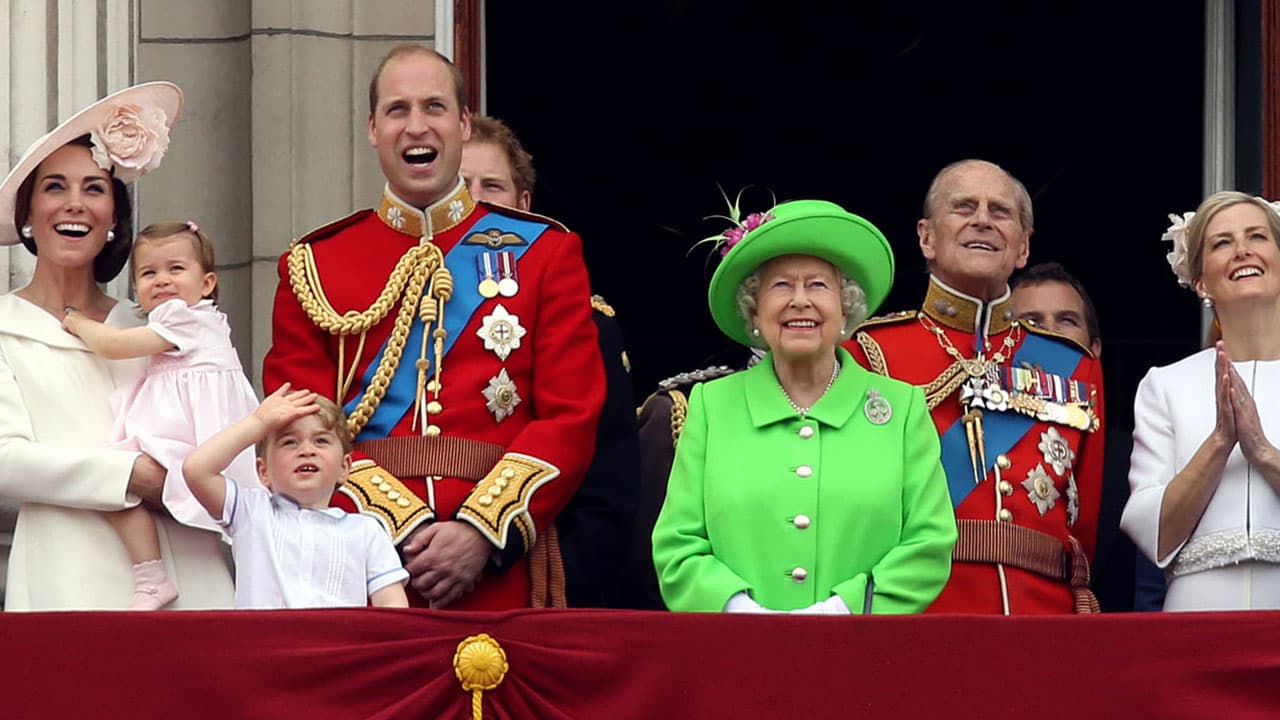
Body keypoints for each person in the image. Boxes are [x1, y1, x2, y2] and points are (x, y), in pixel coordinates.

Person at [262, 46, 605, 611]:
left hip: (499, 565)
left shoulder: (546, 252)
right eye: (397, 110)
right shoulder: (314, 265)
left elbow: (571, 416)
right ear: (372, 129)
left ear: (463, 124)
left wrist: (481, 531)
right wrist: (397, 529)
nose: (415, 126)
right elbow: (298, 424)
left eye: (434, 107)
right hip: (353, 558)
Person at [652, 199, 956, 614]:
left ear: (845, 307)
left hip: (863, 655)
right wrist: (738, 610)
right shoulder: (711, 406)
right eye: (780, 286)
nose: (800, 301)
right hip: (736, 654)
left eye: (818, 285)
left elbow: (929, 541)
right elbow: (677, 543)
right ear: (754, 312)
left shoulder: (901, 410)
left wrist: (842, 610)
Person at [0, 82, 233, 610]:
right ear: (28, 216)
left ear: (113, 219)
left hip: (190, 567)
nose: (75, 204)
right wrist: (133, 476)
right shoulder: (4, 326)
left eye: (94, 188)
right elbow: (5, 459)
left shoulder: (156, 326)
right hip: (66, 572)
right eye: (55, 187)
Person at [847, 159, 1105, 614]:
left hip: (1042, 618)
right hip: (917, 613)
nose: (982, 219)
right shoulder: (867, 354)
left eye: (1000, 211)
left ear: (1023, 247)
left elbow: (1081, 528)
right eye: (963, 207)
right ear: (926, 237)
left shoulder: (1073, 365)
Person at [461, 115, 640, 607]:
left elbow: (609, 497)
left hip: (536, 590)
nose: (475, 201)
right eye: (460, 186)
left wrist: (532, 578)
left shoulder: (587, 321)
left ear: (524, 204)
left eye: (491, 186)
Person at [62, 220, 260, 609]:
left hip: (191, 441)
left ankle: (150, 575)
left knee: (112, 479)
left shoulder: (186, 318)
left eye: (176, 269)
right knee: (116, 482)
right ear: (136, 288)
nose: (163, 280)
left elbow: (115, 345)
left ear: (206, 284)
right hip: (193, 435)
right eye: (149, 273)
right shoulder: (200, 322)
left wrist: (77, 320)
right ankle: (152, 575)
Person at [1121, 192, 1280, 611]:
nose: (1242, 250)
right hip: (1198, 615)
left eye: (1257, 236)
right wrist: (1220, 442)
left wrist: (1262, 451)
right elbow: (1154, 534)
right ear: (1201, 282)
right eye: (1222, 242)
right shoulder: (1165, 385)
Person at [182, 385, 410, 608]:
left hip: (336, 645)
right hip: (264, 645)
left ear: (344, 467)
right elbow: (196, 470)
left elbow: (391, 604)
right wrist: (258, 422)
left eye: (321, 441)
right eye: (289, 442)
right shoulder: (249, 512)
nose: (307, 451)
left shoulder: (366, 531)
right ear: (264, 472)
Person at [1012, 262, 1138, 612]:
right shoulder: (975, 446)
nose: (1050, 334)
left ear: (1095, 347)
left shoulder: (1134, 456)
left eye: (1066, 320)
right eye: (1030, 322)